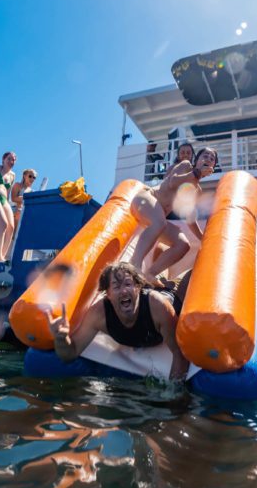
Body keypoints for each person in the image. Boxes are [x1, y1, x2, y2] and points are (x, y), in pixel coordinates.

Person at [45, 261, 190, 380]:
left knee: (183, 287)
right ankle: (163, 275)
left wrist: (173, 396)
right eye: (116, 286)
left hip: (170, 299)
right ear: (107, 294)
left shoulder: (158, 306)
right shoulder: (99, 314)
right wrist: (60, 339)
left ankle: (174, 280)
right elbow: (70, 354)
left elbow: (180, 353)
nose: (124, 291)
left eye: (128, 284)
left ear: (138, 287)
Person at [130, 147, 217, 284]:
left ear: (213, 167)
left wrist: (203, 238)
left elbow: (190, 219)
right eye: (205, 155)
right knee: (160, 223)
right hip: (144, 199)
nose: (208, 159)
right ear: (197, 160)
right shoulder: (186, 166)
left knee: (183, 245)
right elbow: (172, 182)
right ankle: (134, 264)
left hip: (157, 218)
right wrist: (196, 173)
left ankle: (150, 274)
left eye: (212, 159)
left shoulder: (196, 191)